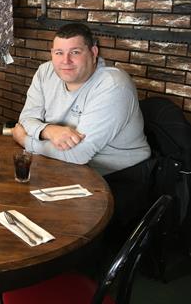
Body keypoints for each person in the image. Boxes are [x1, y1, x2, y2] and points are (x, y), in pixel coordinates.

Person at [12, 23, 152, 228]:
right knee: (16, 205)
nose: (65, 61)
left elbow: (78, 154)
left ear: (93, 53)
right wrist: (48, 130)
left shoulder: (113, 85)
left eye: (75, 52)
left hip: (118, 178)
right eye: (59, 53)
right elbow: (27, 118)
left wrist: (25, 140)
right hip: (67, 169)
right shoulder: (45, 72)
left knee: (55, 225)